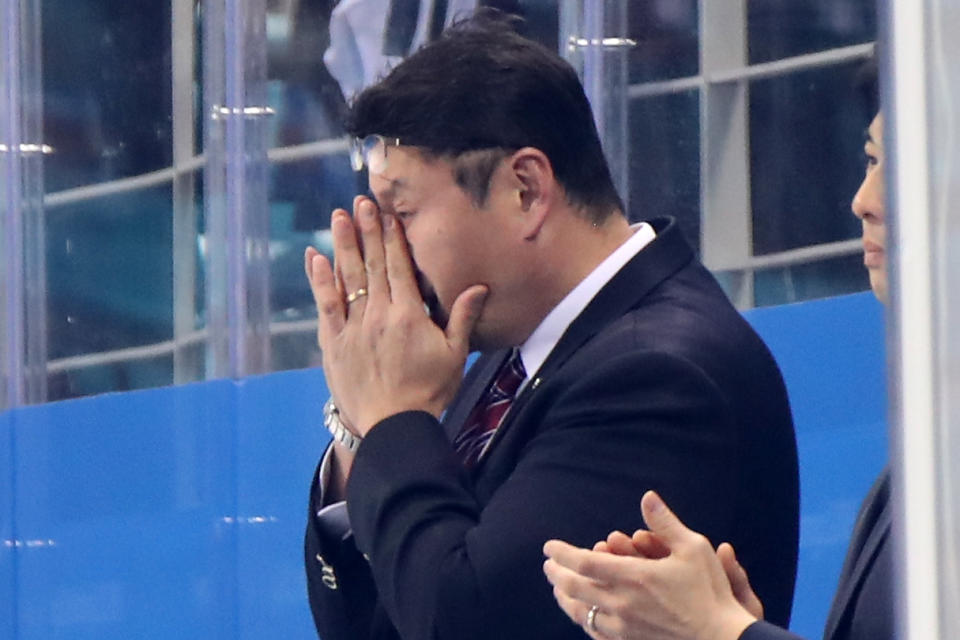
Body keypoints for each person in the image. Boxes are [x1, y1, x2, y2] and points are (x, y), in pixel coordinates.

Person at [302, 11, 800, 640]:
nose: (388, 246)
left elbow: (473, 623)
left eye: (404, 211)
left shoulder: (659, 376)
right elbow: (375, 624)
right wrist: (358, 433)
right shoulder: (503, 361)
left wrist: (392, 423)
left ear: (526, 190)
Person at [543, 67, 891, 640]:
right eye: (873, 161)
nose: (863, 202)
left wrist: (724, 632)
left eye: (900, 168)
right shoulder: (909, 473)